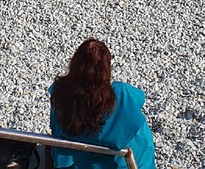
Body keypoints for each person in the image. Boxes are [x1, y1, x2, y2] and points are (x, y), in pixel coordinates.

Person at [48, 39, 156, 169]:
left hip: (73, 161)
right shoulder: (121, 95)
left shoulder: (59, 92)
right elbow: (140, 98)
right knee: (138, 128)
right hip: (115, 162)